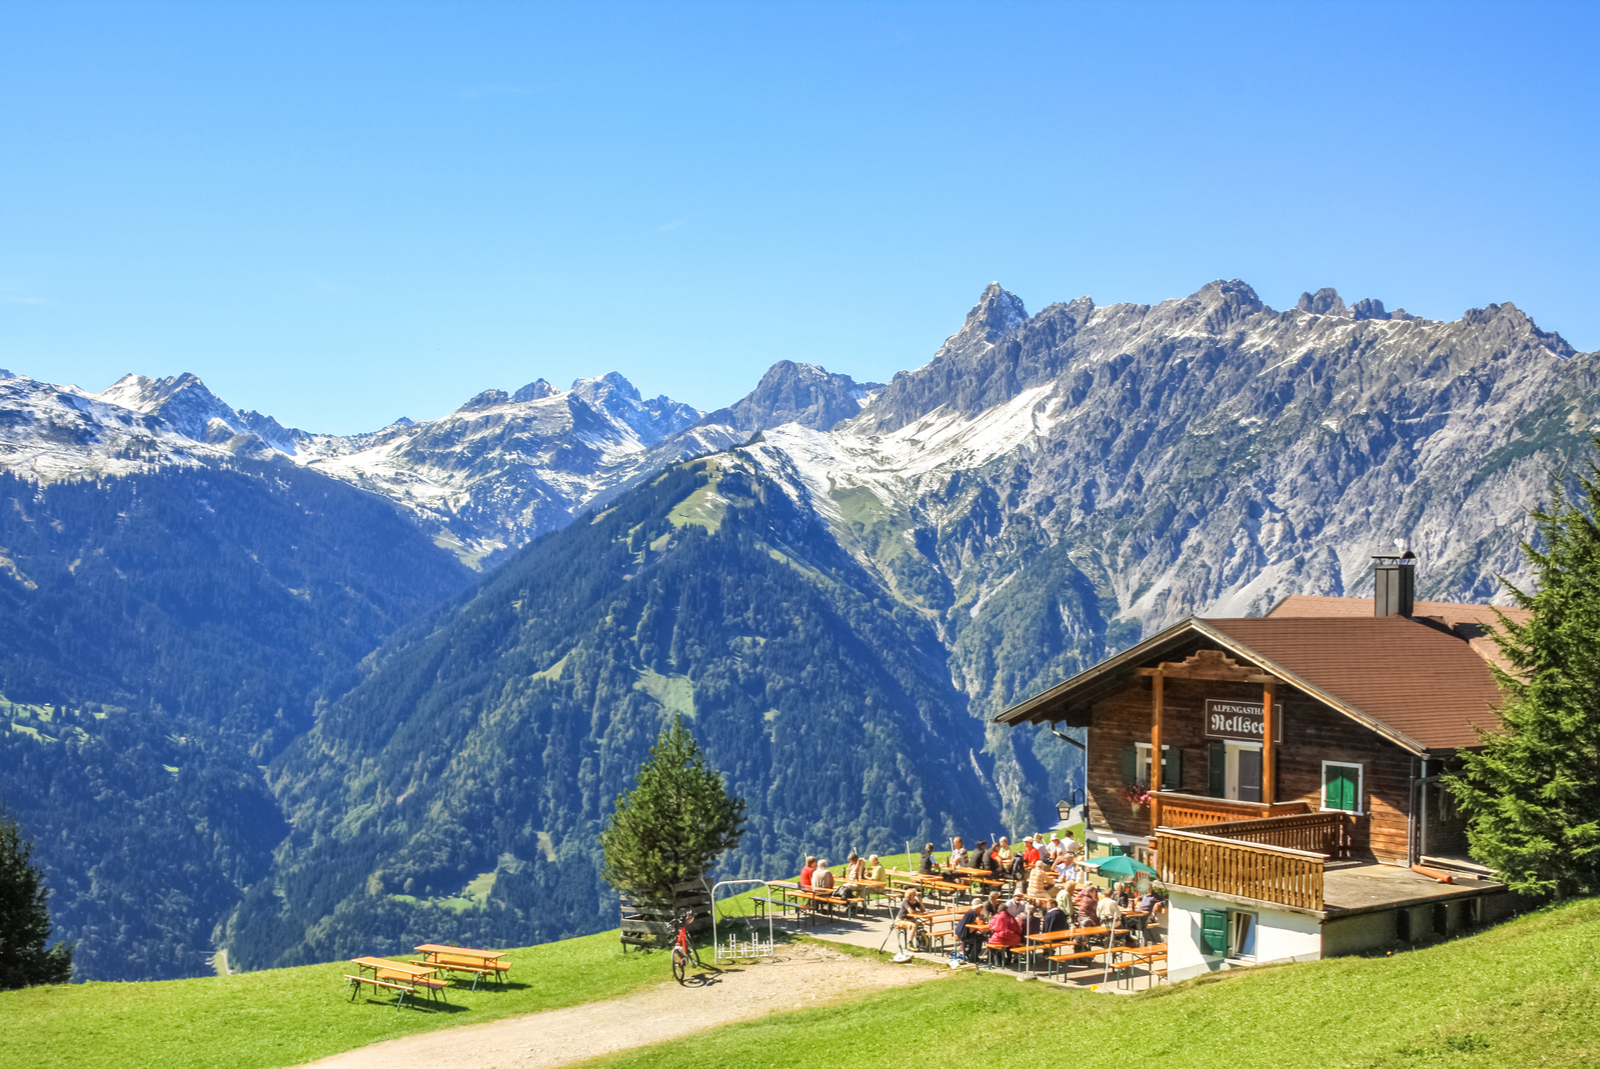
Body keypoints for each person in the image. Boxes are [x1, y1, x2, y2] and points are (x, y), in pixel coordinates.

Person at [987, 902, 1023, 966]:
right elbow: (1016, 928)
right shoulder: (1011, 917)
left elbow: (991, 926)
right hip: (1011, 938)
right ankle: (1009, 959)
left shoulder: (996, 917)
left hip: (999, 938)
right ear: (1006, 909)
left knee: (990, 942)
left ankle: (997, 961)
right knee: (1010, 944)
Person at [955, 896, 987, 963]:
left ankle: (970, 954)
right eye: (981, 907)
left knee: (979, 936)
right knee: (979, 938)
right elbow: (976, 925)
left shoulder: (971, 912)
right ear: (978, 907)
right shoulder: (973, 913)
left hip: (961, 931)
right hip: (964, 933)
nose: (982, 908)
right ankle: (973, 957)